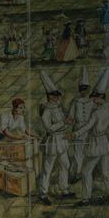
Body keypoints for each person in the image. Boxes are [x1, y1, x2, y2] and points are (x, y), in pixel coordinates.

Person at [74, 68, 109, 205]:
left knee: (86, 171)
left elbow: (88, 126)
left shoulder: (96, 112)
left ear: (100, 97)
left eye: (95, 98)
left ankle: (86, 198)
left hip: (95, 143)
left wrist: (75, 133)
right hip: (104, 141)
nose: (93, 100)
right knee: (105, 171)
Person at [36, 71, 72, 205]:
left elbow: (64, 120)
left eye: (57, 95)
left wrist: (67, 121)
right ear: (49, 96)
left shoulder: (59, 106)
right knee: (48, 167)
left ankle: (64, 189)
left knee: (65, 164)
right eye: (54, 95)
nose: (56, 97)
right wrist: (64, 122)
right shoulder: (46, 109)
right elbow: (49, 128)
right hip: (53, 140)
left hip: (62, 139)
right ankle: (43, 193)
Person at [0, 97, 34, 184]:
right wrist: (18, 137)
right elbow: (6, 132)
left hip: (2, 136)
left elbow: (25, 130)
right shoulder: (4, 115)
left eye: (23, 107)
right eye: (20, 108)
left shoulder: (20, 117)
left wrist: (34, 136)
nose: (23, 110)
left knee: (1, 155)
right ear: (14, 108)